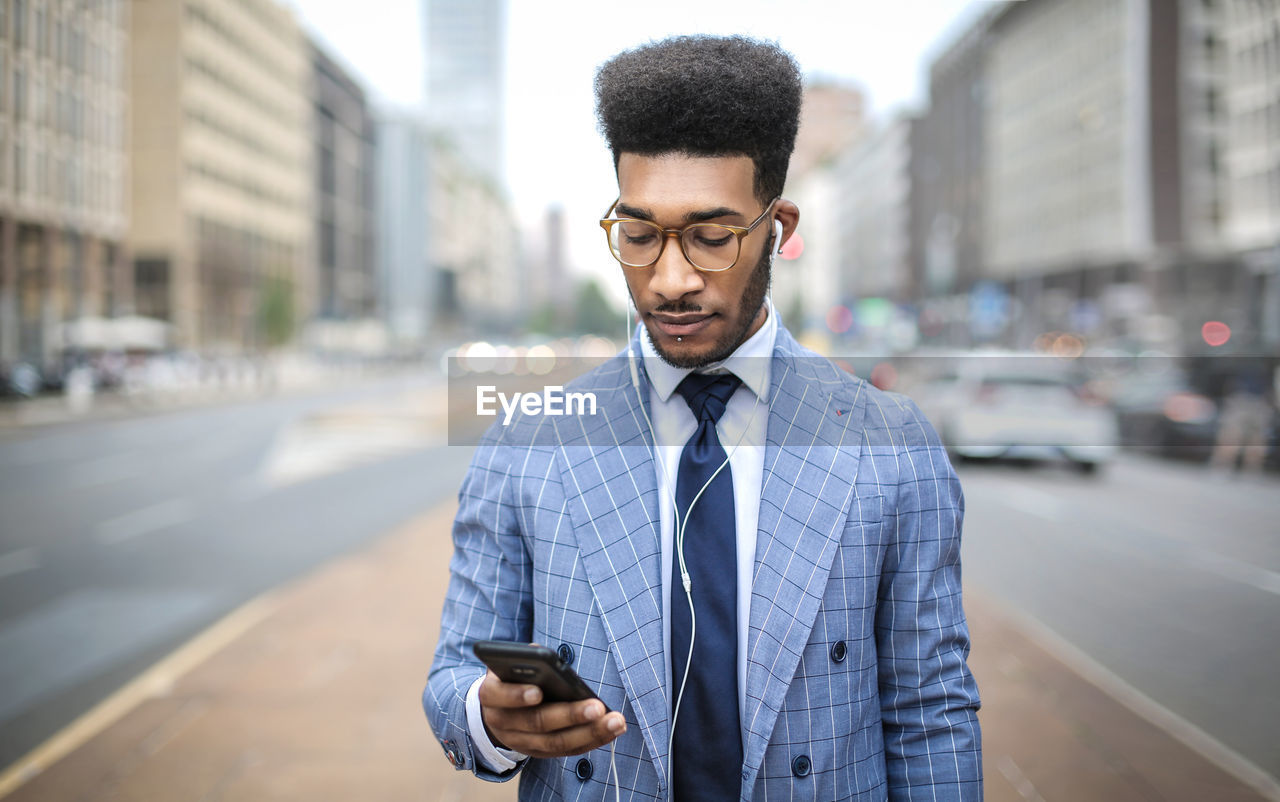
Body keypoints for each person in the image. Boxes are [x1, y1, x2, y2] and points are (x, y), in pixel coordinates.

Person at [424, 35, 982, 800]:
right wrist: (486, 718)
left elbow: (930, 713)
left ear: (779, 228)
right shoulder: (530, 439)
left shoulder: (890, 443)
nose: (671, 279)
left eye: (713, 237)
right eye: (641, 235)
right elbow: (452, 672)